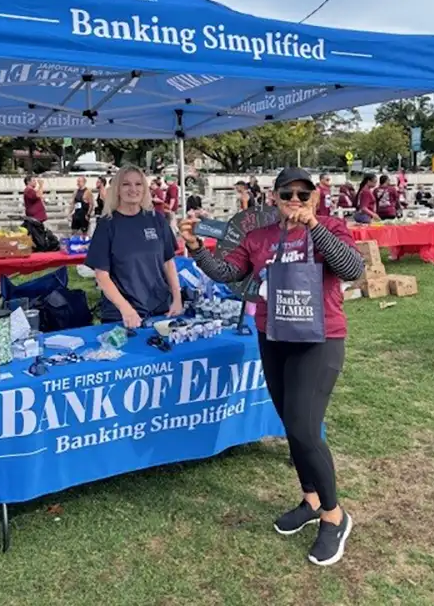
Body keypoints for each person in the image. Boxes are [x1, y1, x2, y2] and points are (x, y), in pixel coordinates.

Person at [178, 167, 364, 567]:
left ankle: (335, 516)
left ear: (315, 196)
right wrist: (196, 247)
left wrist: (313, 225)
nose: (295, 201)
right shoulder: (259, 237)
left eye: (303, 194)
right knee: (289, 423)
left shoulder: (330, 225)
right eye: (287, 194)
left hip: (321, 339)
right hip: (273, 335)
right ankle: (312, 499)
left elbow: (352, 269)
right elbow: (230, 274)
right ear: (273, 198)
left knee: (303, 426)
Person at [86, 165, 183, 328]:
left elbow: (168, 262)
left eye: (138, 184)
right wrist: (126, 309)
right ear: (117, 189)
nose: (133, 189)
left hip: (160, 309)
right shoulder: (107, 225)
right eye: (126, 184)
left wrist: (177, 298)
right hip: (122, 315)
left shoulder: (157, 220)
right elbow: (102, 275)